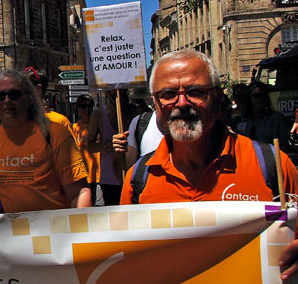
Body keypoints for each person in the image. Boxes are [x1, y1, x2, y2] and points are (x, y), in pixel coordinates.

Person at [119, 50, 298, 205]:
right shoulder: (139, 179)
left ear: (218, 97)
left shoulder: (273, 166)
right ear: (155, 105)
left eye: (196, 92)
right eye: (168, 94)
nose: (181, 103)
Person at [0, 69, 91, 213]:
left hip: (50, 232)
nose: (7, 100)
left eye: (14, 94)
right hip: (1, 232)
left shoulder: (55, 134)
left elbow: (79, 193)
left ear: (29, 98)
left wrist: (80, 227)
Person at [239, 81, 291, 148]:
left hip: (270, 156)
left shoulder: (276, 118)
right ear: (249, 98)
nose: (261, 99)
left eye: (263, 96)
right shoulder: (243, 120)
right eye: (257, 96)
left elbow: (283, 143)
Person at [71, 94, 100, 203]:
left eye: (90, 106)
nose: (87, 109)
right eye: (83, 106)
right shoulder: (75, 128)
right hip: (84, 177)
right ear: (78, 109)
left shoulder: (100, 125)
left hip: (100, 177)